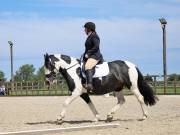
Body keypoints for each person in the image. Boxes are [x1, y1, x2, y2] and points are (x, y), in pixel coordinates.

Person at [83, 22, 103, 91]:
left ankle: (90, 85)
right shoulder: (89, 36)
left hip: (95, 56)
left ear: (89, 29)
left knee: (88, 66)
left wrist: (88, 53)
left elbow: (96, 46)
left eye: (85, 28)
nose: (84, 30)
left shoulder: (94, 36)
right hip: (90, 56)